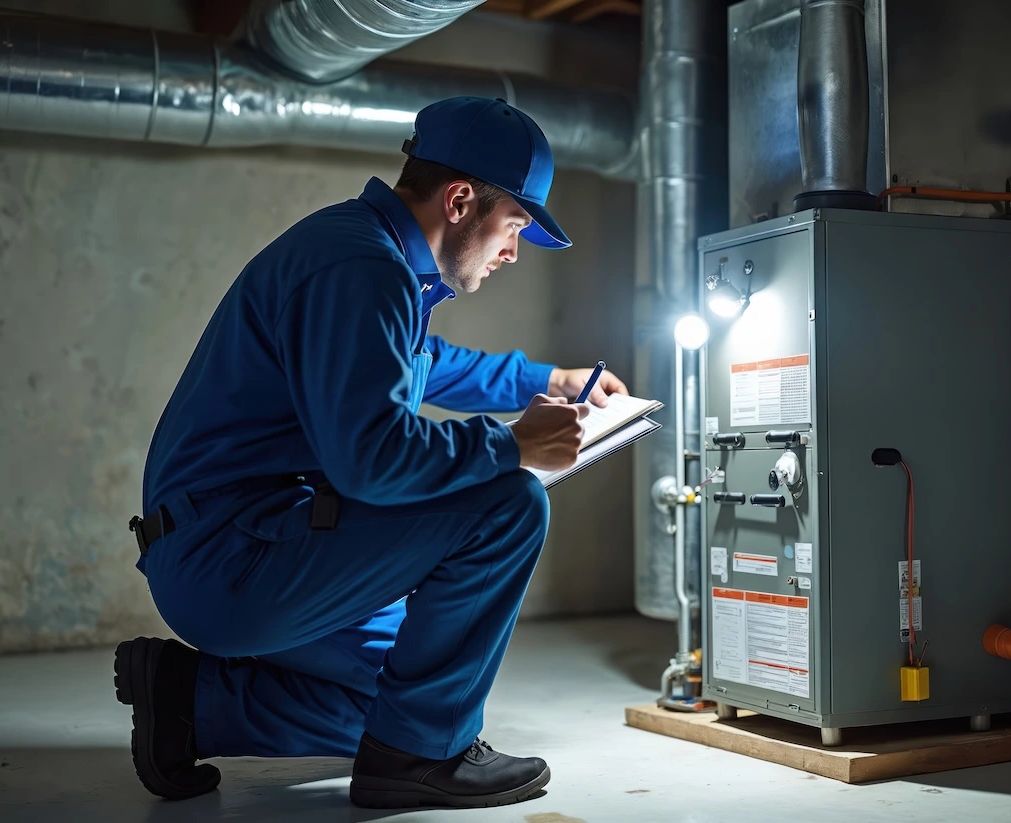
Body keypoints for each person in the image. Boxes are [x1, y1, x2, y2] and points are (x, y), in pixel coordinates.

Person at [113, 96, 629, 810]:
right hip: (232, 557)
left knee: (405, 691)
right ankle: (420, 759)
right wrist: (511, 444)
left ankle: (189, 701)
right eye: (513, 225)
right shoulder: (361, 271)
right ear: (459, 201)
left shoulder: (372, 259)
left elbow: (431, 361)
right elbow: (372, 458)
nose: (512, 251)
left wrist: (547, 380)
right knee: (510, 502)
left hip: (235, 548)